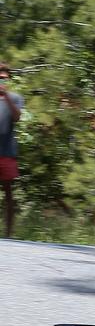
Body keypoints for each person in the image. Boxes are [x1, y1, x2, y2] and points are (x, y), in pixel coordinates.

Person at [0, 62, 24, 239]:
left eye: (4, 77)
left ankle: (8, 235)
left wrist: (6, 96)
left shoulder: (15, 98)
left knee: (8, 193)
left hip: (7, 152)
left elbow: (16, 117)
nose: (1, 79)